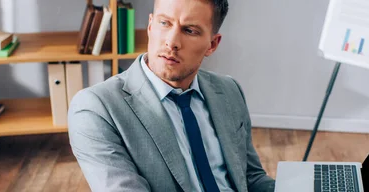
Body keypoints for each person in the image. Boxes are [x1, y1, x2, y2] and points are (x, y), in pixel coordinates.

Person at [67, 0, 275, 191]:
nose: (172, 42)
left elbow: (251, 178)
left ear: (212, 45)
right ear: (150, 26)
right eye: (164, 23)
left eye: (190, 30)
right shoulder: (95, 109)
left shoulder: (229, 90)